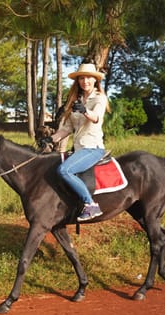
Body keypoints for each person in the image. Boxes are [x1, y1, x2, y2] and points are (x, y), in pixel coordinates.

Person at [45, 62, 110, 221]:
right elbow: (66, 129)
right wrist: (50, 139)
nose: (85, 81)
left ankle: (91, 205)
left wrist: (84, 110)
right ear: (78, 81)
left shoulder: (99, 98)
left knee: (64, 171)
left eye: (88, 77)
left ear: (95, 80)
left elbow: (96, 118)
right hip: (79, 149)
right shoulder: (76, 100)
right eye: (81, 78)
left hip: (93, 148)